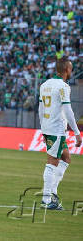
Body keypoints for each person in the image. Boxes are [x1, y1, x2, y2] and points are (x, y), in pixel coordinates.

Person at [39, 57, 82, 210]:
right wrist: (77, 132)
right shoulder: (63, 87)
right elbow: (68, 110)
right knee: (52, 162)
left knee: (66, 158)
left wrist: (43, 128)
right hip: (56, 129)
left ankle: (53, 192)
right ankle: (46, 200)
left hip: (49, 127)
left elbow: (41, 108)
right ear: (66, 70)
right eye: (70, 68)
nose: (71, 71)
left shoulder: (44, 85)